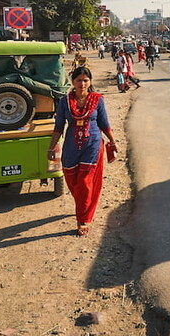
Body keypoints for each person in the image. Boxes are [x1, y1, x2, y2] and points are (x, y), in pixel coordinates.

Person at [48, 67, 117, 237]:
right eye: (79, 80)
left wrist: (113, 141)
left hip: (92, 145)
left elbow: (104, 123)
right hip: (71, 146)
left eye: (86, 80)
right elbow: (58, 127)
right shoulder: (65, 101)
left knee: (85, 182)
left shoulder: (97, 100)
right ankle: (82, 205)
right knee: (72, 180)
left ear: (90, 82)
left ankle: (83, 219)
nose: (82, 84)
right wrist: (51, 147)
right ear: (73, 82)